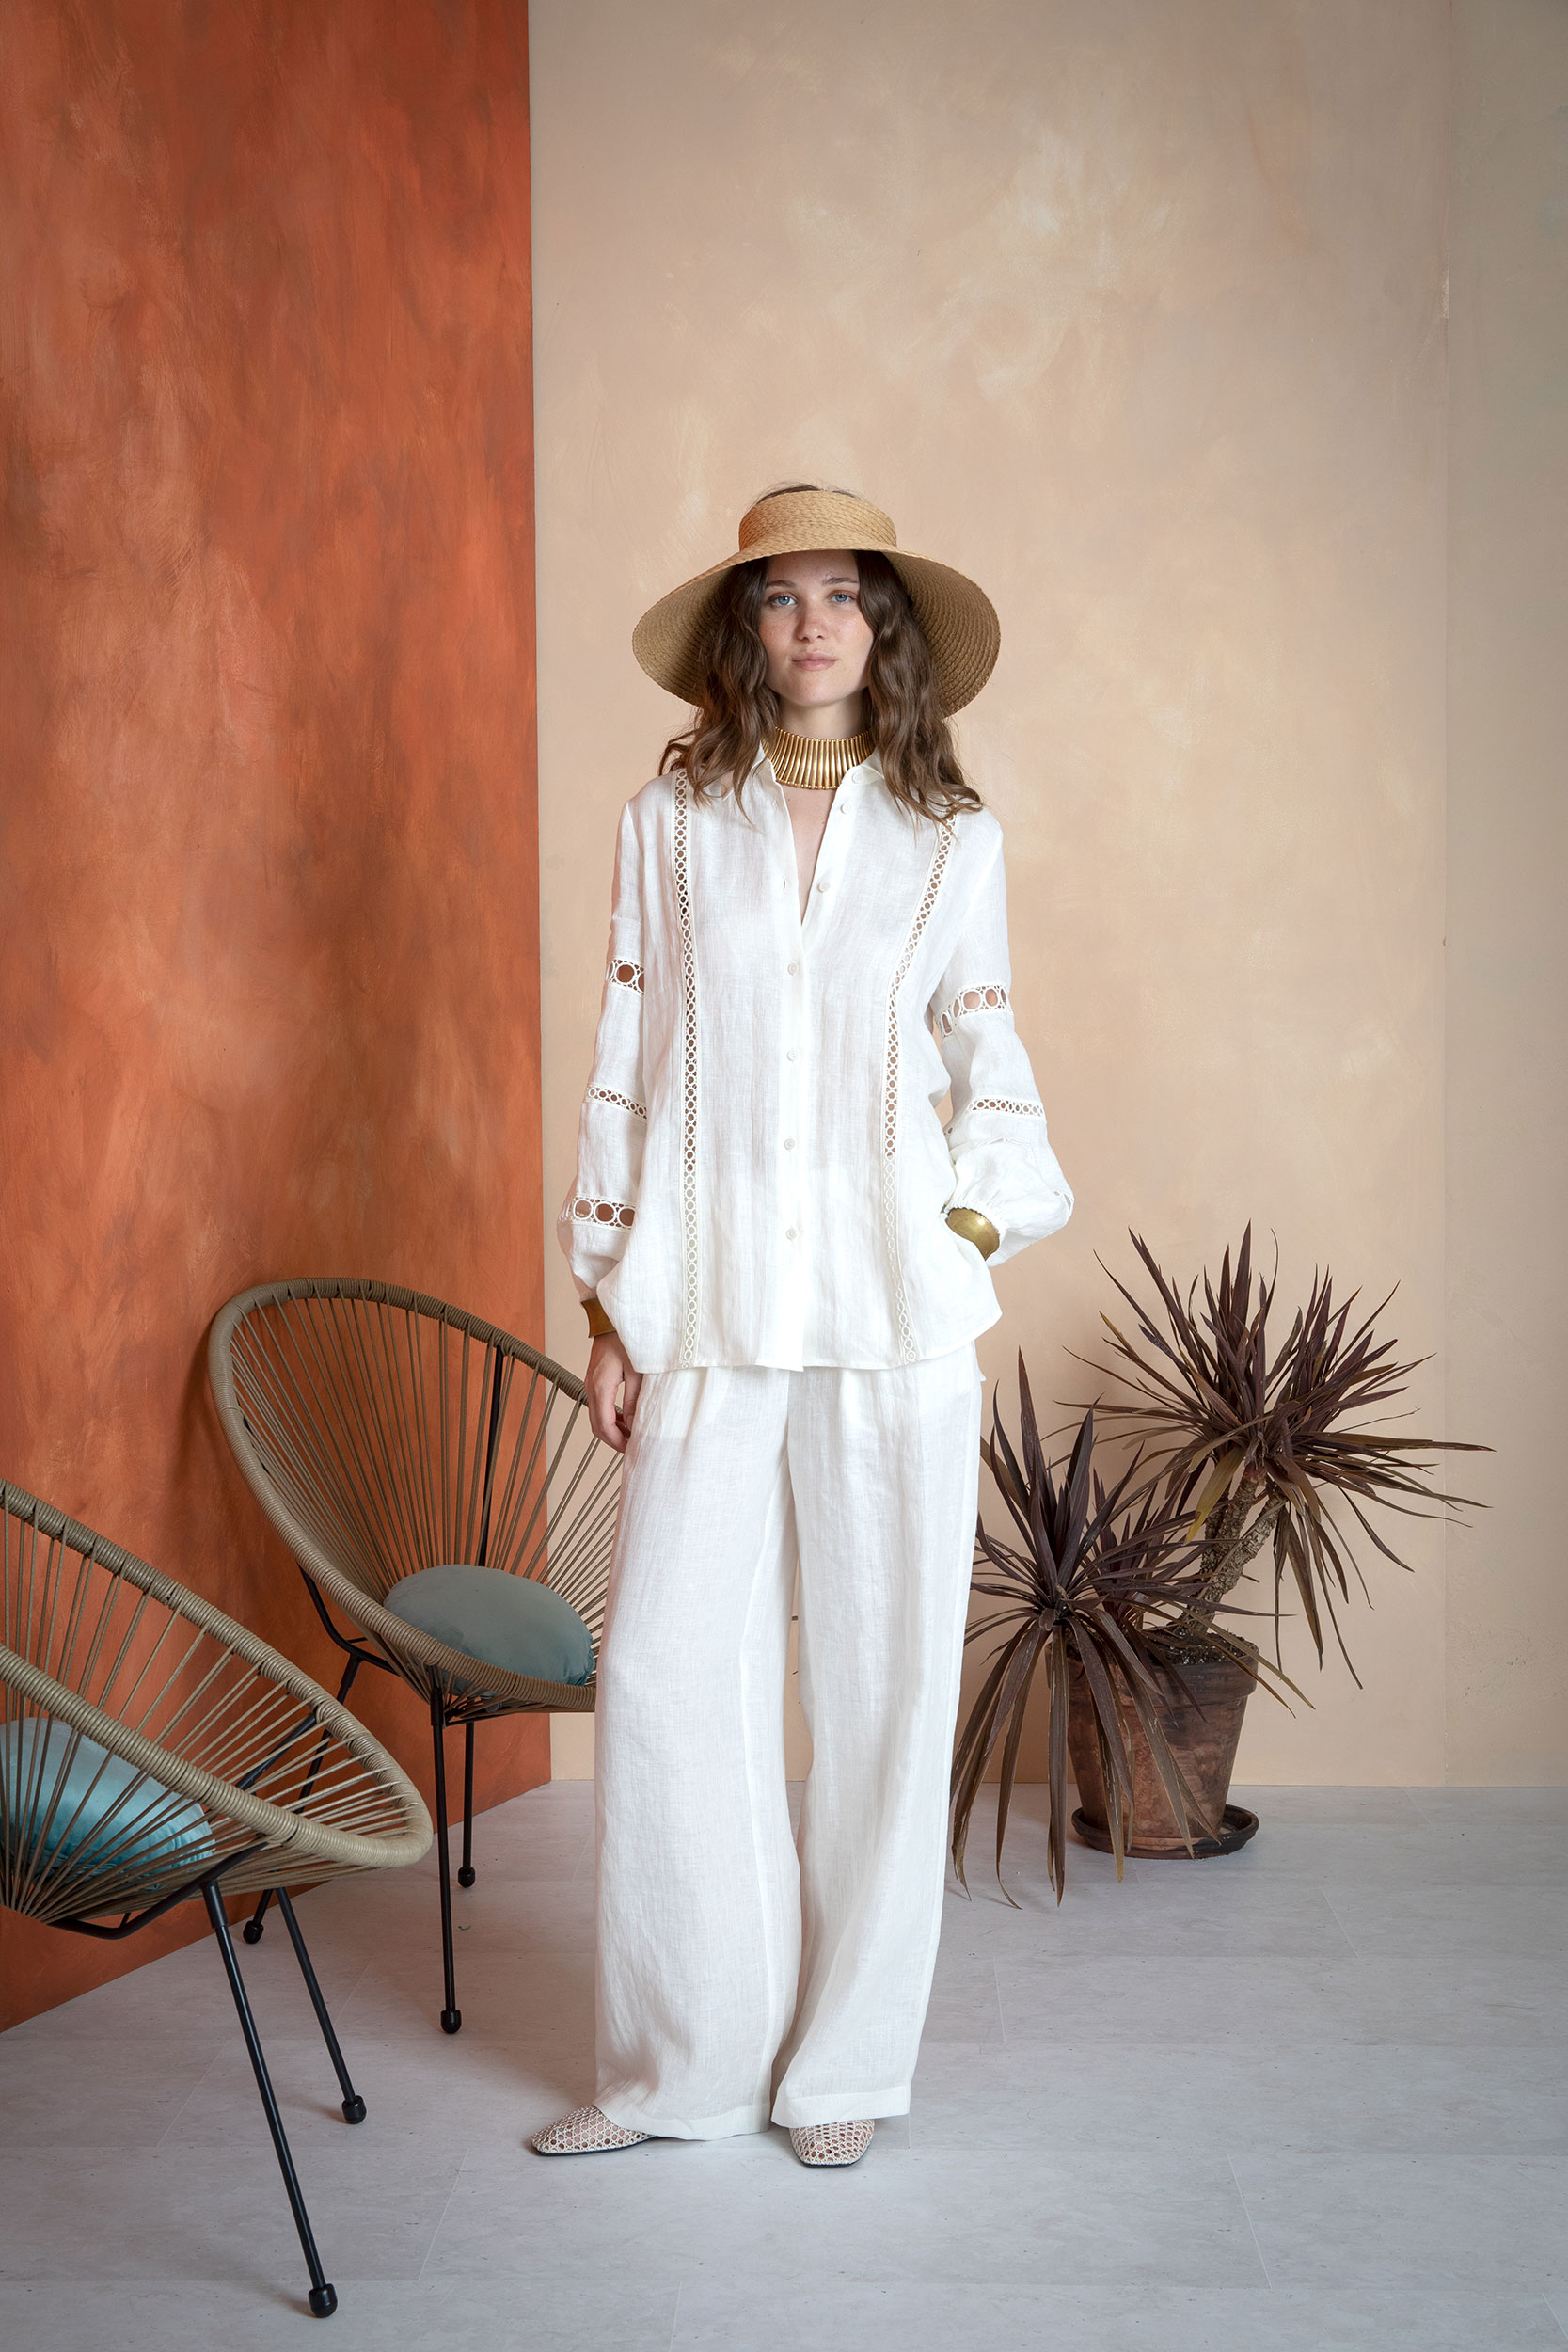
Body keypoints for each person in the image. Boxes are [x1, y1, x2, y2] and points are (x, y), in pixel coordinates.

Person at [533, 484, 1072, 2168]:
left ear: (882, 626)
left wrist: (964, 1225)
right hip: (702, 1308)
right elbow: (626, 1071)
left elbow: (990, 1061)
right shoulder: (669, 823)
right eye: (781, 595)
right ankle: (683, 2070)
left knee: (885, 1691)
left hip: (893, 1321)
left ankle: (840, 2073)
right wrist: (610, 1303)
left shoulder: (951, 837)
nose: (814, 622)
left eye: (844, 594)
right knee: (667, 1684)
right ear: (744, 628)